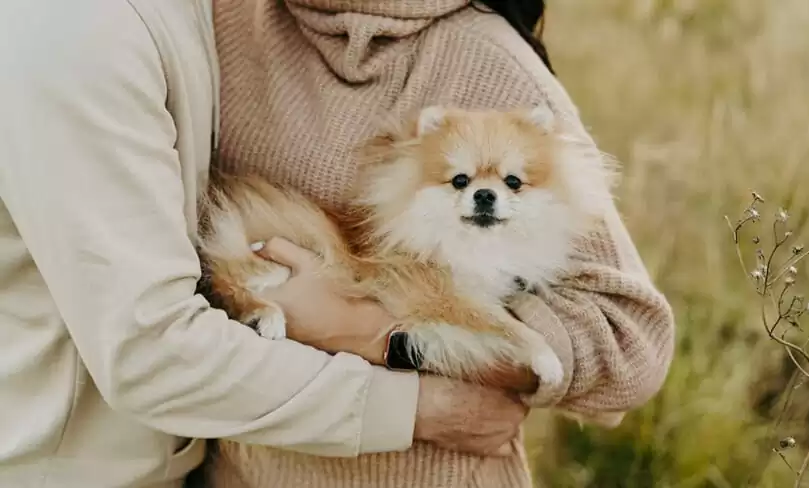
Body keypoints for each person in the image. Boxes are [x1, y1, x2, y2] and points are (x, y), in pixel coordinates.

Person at [0, 1, 674, 488]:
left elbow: (628, 340)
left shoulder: (476, 56)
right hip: (236, 468)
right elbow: (152, 326)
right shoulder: (218, 22)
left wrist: (383, 335)